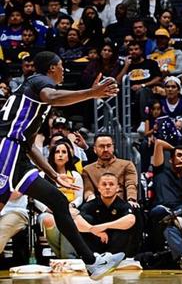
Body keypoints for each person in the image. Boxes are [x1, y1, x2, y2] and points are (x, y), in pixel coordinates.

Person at [0, 51, 124, 279]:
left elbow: (30, 145)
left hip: (19, 152)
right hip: (6, 147)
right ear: (51, 68)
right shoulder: (40, 82)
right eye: (60, 66)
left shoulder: (34, 97)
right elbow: (53, 96)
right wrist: (91, 93)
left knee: (58, 201)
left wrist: (54, 175)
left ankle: (92, 263)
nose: (64, 70)